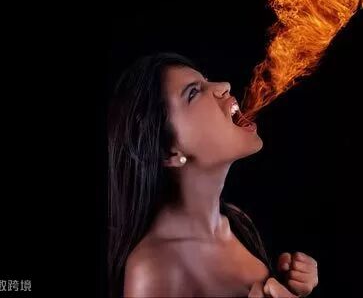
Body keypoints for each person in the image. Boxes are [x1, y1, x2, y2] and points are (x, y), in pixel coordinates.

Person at [108, 52, 319, 297]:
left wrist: (290, 286)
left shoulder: (238, 222)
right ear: (168, 152)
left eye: (206, 80)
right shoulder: (153, 270)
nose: (224, 85)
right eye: (193, 93)